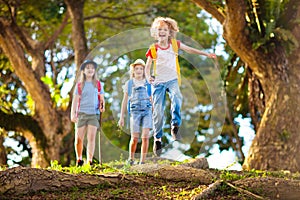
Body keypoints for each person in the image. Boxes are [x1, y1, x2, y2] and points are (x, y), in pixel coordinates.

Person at [145, 17, 216, 156]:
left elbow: (190, 50)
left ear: (169, 32)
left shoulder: (174, 44)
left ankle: (175, 126)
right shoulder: (153, 49)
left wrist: (205, 53)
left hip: (172, 79)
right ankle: (157, 138)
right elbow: (147, 68)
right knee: (158, 112)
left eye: (165, 29)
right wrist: (148, 78)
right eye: (159, 29)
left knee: (177, 97)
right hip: (158, 83)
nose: (162, 32)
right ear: (155, 32)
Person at [70, 60, 105, 166]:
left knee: (91, 138)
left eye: (92, 68)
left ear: (94, 71)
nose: (90, 70)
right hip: (81, 114)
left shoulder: (98, 84)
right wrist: (73, 114)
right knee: (79, 139)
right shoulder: (80, 85)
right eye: (88, 68)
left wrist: (102, 106)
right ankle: (79, 159)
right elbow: (75, 101)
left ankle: (89, 161)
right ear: (84, 71)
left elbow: (102, 98)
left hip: (93, 114)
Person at [118, 59, 152, 165]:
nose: (139, 70)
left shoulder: (148, 83)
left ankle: (142, 161)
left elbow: (152, 98)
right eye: (136, 68)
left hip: (147, 111)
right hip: (135, 112)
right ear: (133, 70)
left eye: (141, 68)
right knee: (135, 138)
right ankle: (131, 159)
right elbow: (125, 100)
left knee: (145, 136)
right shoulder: (129, 83)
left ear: (144, 70)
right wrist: (121, 117)